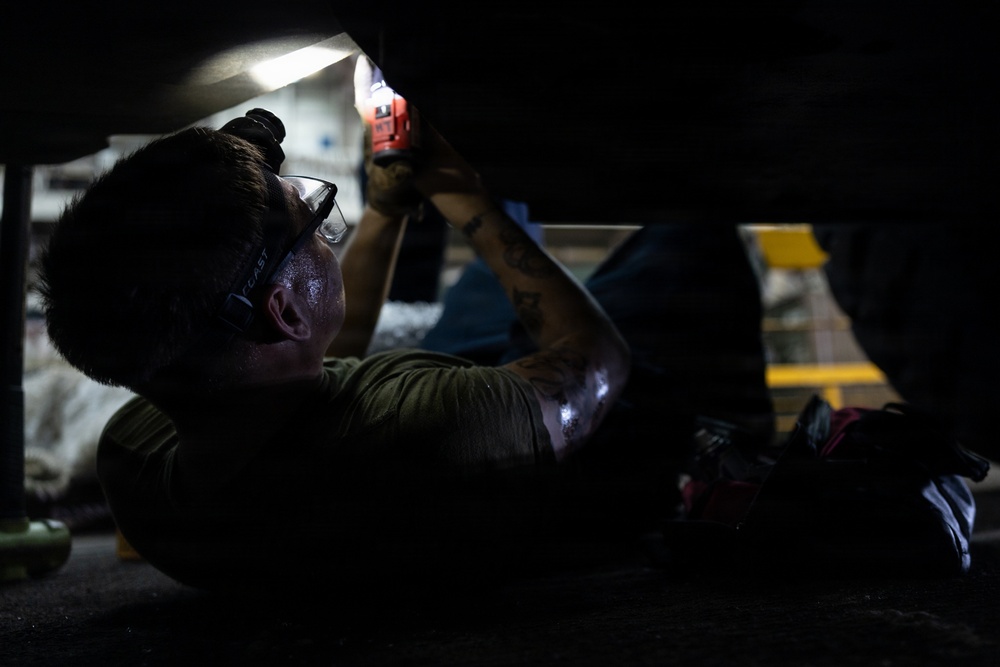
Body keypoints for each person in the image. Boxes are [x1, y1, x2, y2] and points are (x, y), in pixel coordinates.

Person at [37, 101, 773, 593]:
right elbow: (595, 364)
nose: (327, 226)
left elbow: (303, 369)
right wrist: (463, 198)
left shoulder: (140, 458)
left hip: (458, 405)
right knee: (691, 239)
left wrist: (388, 207)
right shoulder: (442, 422)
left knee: (489, 287)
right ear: (285, 308)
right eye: (316, 218)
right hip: (579, 422)